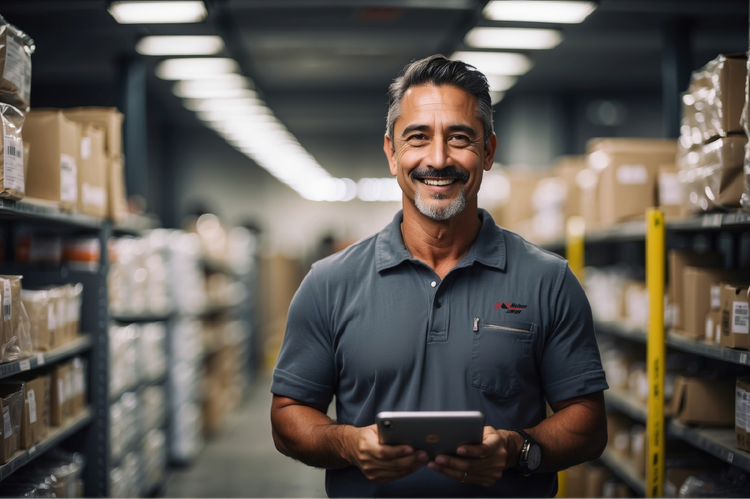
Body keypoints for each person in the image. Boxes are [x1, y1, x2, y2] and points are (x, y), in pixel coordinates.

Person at [270, 54, 608, 497]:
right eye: (417, 137)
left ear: (488, 152)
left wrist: (517, 448)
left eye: (460, 138)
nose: (438, 158)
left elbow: (588, 421)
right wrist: (351, 444)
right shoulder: (329, 283)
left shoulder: (548, 281)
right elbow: (288, 415)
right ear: (392, 153)